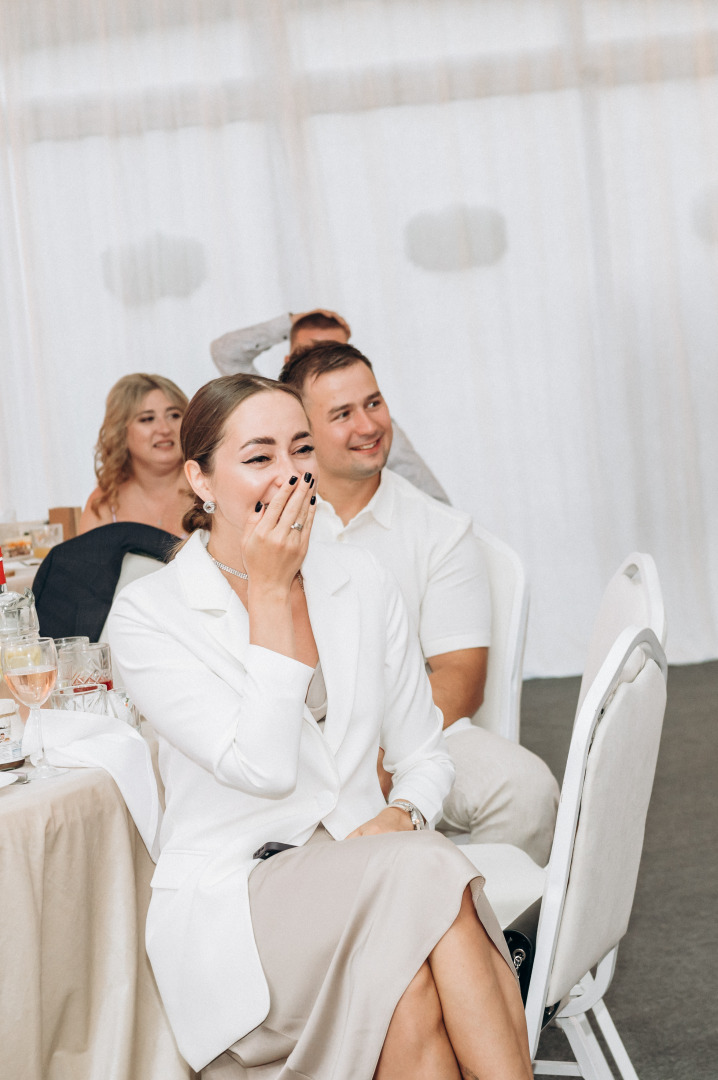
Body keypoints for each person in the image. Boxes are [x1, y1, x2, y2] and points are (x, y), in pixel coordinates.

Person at [107, 373, 534, 1080]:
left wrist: (404, 813)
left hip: (376, 877)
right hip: (241, 909)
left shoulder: (360, 579)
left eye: (300, 449)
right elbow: (265, 767)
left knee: (411, 985)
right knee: (429, 874)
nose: (290, 473)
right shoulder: (149, 615)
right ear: (201, 480)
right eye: (259, 456)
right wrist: (270, 591)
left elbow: (426, 754)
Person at [279, 342, 559, 865]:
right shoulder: (271, 519)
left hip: (414, 734)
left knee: (524, 790)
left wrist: (382, 759)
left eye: (374, 403)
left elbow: (461, 676)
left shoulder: (441, 530)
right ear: (303, 431)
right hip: (293, 737)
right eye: (342, 414)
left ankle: (493, 938)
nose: (368, 425)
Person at [210, 307, 450, 502]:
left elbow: (437, 506)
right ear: (289, 360)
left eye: (336, 353)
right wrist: (290, 322)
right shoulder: (266, 407)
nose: (322, 363)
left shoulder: (374, 428)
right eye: (310, 352)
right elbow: (226, 351)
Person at [79, 373, 193, 538]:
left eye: (174, 415)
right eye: (147, 419)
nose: (165, 429)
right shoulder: (104, 502)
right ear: (120, 432)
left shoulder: (209, 490)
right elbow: (84, 563)